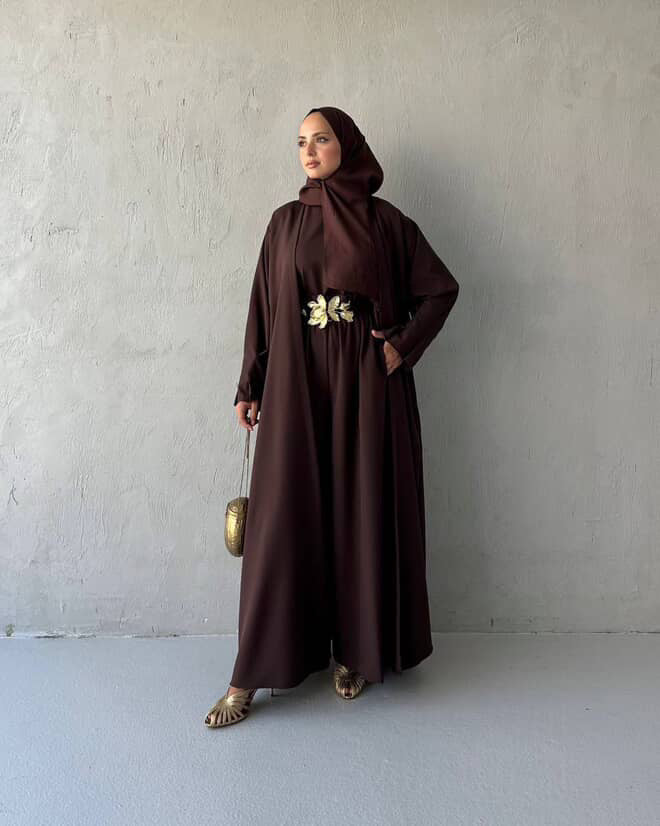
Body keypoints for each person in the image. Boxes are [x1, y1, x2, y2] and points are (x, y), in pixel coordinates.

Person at [205, 106, 460, 728]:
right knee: (283, 517)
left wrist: (401, 345)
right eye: (301, 142)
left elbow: (440, 289)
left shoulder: (385, 221)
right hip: (296, 382)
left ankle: (355, 651)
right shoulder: (285, 222)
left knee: (358, 510)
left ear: (348, 145)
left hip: (367, 385)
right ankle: (250, 673)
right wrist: (250, 383)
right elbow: (263, 306)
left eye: (321, 139)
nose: (310, 151)